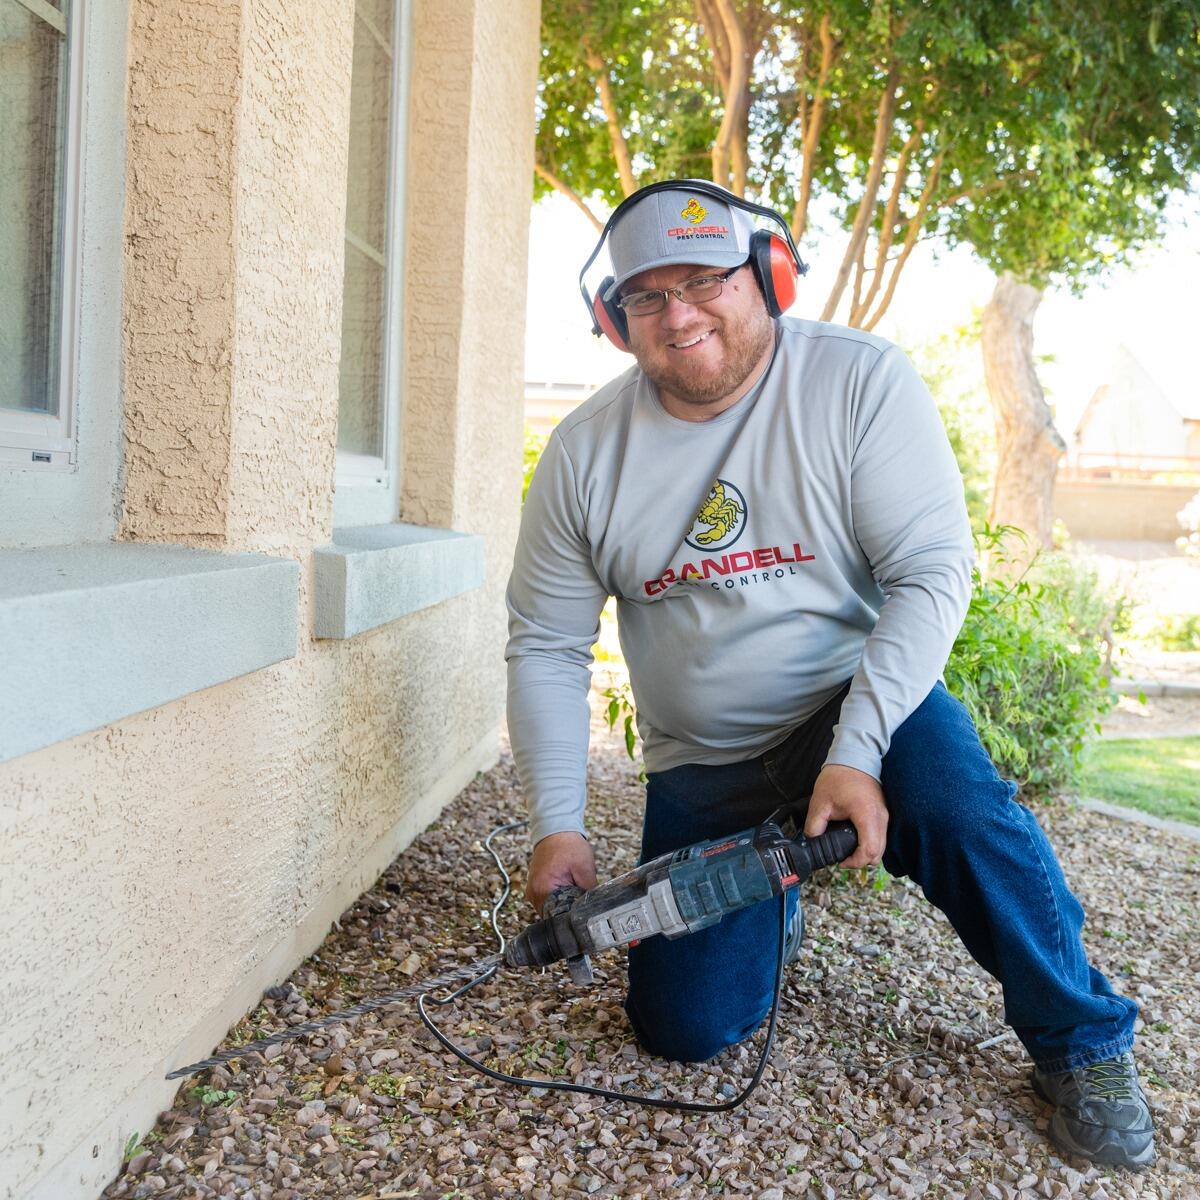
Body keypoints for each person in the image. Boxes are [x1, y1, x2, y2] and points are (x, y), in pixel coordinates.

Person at [504, 179, 1154, 1170]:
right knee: (682, 1028)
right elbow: (548, 645)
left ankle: (1085, 1041)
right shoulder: (585, 455)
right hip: (703, 762)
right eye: (646, 295)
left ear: (768, 275)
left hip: (853, 711)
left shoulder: (858, 382)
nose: (678, 314)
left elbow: (931, 571)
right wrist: (558, 824)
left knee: (958, 806)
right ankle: (776, 905)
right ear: (613, 317)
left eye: (705, 280)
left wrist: (857, 751)